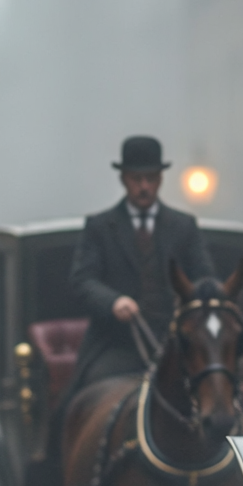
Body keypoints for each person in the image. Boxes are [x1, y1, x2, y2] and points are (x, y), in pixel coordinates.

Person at [67, 134, 215, 393]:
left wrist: (190, 299)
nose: (144, 186)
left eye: (151, 178)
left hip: (176, 345)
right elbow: (82, 281)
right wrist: (113, 302)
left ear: (161, 179)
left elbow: (205, 278)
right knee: (82, 402)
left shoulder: (184, 227)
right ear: (123, 179)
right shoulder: (100, 227)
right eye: (137, 179)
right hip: (116, 345)